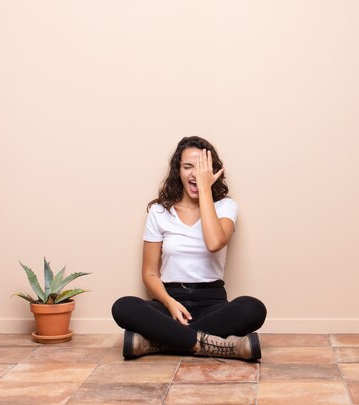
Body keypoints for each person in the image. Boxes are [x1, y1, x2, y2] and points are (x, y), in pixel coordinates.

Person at [112, 136, 267, 361]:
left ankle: (155, 343)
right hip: (169, 301)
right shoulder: (158, 211)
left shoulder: (225, 207)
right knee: (123, 307)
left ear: (213, 172)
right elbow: (150, 273)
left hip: (211, 302)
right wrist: (169, 303)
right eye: (188, 167)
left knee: (253, 309)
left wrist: (205, 190)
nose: (195, 174)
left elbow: (214, 243)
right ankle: (223, 347)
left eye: (202, 168)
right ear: (178, 171)